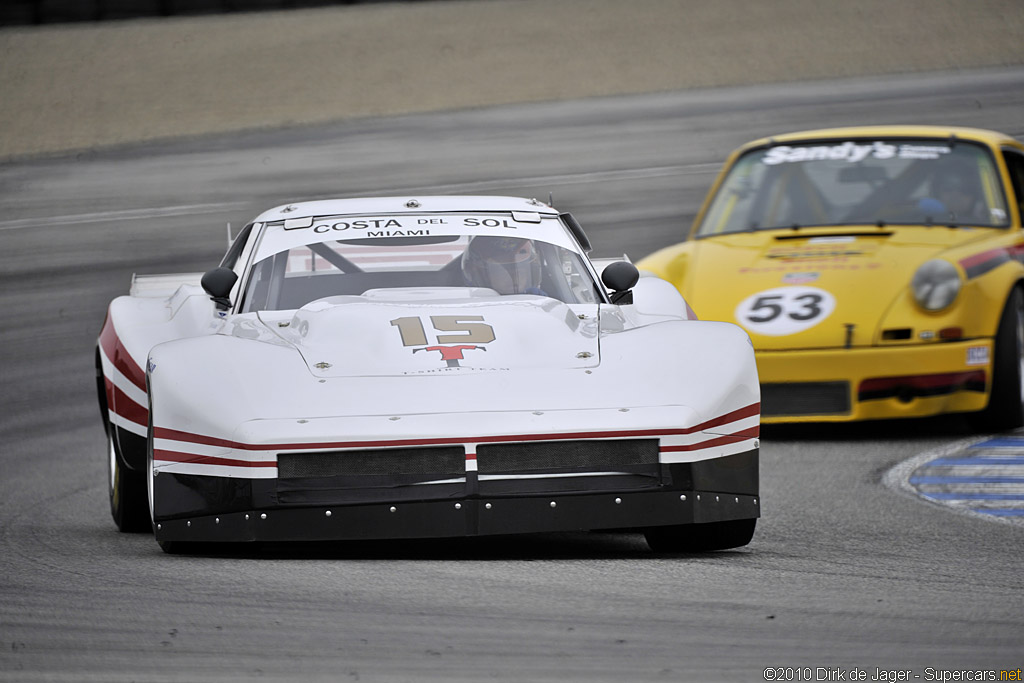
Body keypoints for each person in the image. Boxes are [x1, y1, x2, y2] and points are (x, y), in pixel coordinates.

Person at [461, 235, 545, 295]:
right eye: (502, 272)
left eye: (520, 271)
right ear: (478, 273)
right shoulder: (469, 307)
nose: (514, 277)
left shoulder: (540, 303)